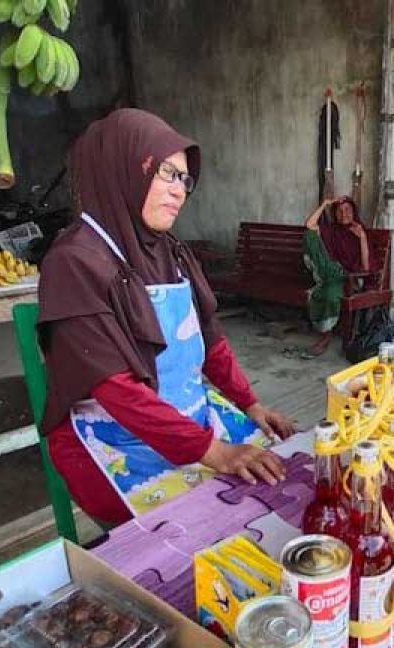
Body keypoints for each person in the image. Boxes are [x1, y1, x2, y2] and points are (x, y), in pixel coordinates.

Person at [37, 109, 295, 528]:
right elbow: (114, 389)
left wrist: (250, 403)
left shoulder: (170, 250)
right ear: (120, 169)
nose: (179, 191)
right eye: (165, 173)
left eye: (184, 179)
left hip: (189, 417)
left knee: (277, 477)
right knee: (203, 531)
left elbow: (208, 338)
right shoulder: (73, 262)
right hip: (115, 439)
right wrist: (215, 454)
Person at [303, 195, 369, 356]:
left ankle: (325, 337)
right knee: (309, 236)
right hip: (331, 272)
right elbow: (310, 225)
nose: (343, 214)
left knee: (330, 294)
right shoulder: (332, 230)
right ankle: (326, 278)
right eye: (339, 211)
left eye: (347, 210)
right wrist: (324, 204)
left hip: (349, 279)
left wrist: (362, 238)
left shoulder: (359, 231)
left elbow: (366, 267)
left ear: (354, 212)